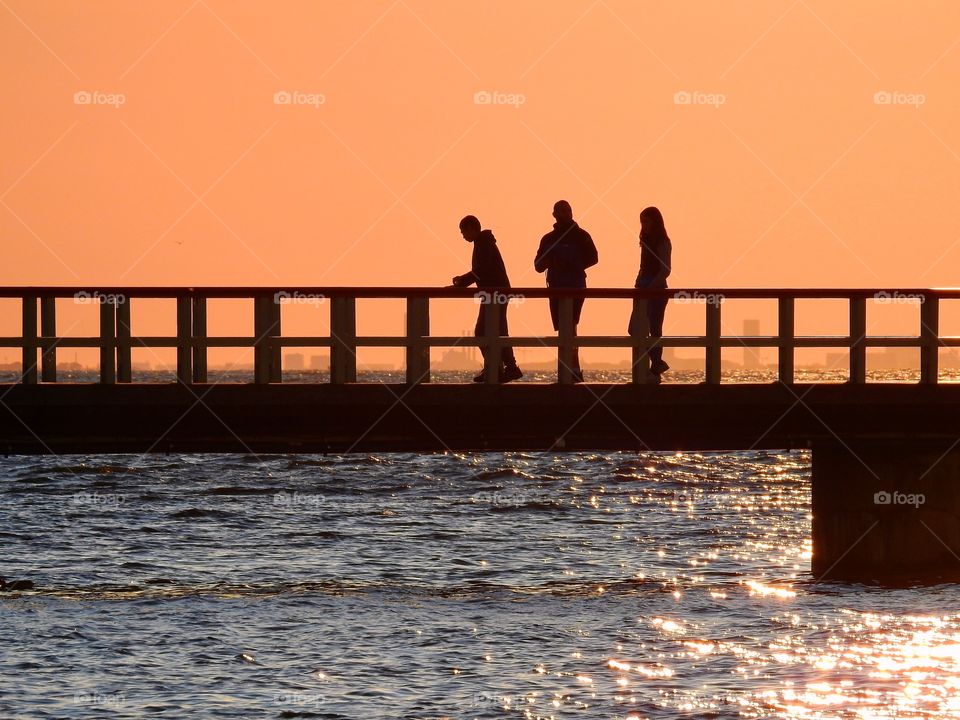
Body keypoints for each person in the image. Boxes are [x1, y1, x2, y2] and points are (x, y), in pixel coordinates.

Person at [451, 215, 523, 383]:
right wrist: (462, 282)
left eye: (463, 232)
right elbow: (480, 270)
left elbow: (480, 270)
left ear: (471, 228)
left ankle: (500, 367)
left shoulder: (483, 243)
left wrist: (461, 282)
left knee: (483, 331)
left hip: (494, 293)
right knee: (497, 330)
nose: (463, 236)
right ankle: (504, 367)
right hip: (495, 292)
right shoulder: (484, 242)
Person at [534, 200, 598, 382]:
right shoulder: (548, 239)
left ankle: (573, 369)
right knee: (563, 328)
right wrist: (550, 263)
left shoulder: (581, 236)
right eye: (561, 211)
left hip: (576, 286)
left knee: (570, 325)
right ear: (554, 214)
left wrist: (573, 266)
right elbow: (538, 265)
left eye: (568, 210)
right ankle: (567, 368)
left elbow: (594, 258)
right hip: (555, 288)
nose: (565, 214)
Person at [632, 206, 672, 381]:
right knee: (635, 328)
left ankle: (654, 366)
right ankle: (656, 362)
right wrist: (638, 283)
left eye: (646, 222)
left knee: (654, 328)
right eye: (642, 222)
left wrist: (651, 288)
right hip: (642, 287)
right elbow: (643, 267)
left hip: (656, 289)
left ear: (655, 222)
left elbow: (665, 269)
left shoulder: (662, 241)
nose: (643, 225)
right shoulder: (645, 241)